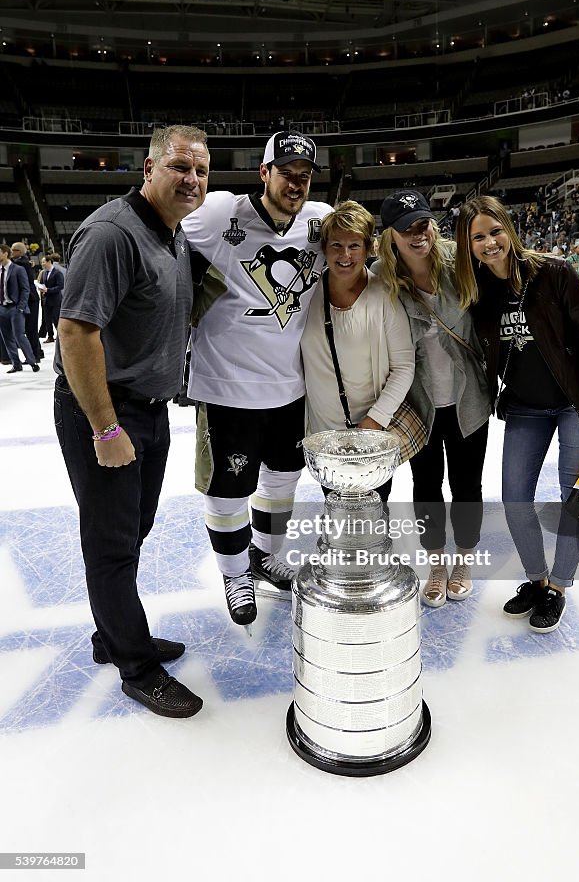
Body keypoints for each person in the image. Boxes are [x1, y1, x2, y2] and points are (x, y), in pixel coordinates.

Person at [54, 125, 209, 718]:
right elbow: (75, 331)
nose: (191, 179)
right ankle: (137, 666)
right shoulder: (111, 234)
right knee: (112, 544)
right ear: (149, 168)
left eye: (200, 170)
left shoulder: (171, 235)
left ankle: (112, 633)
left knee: (133, 529)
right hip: (108, 412)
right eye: (179, 167)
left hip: (148, 409)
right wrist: (105, 428)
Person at [182, 131, 332, 626]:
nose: (296, 183)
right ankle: (233, 572)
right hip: (226, 386)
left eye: (304, 175)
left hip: (290, 387)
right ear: (263, 173)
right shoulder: (220, 212)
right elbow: (160, 227)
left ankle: (265, 559)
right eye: (285, 172)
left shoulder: (318, 221)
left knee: (283, 479)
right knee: (228, 487)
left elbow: (366, 247)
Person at [454, 195, 579, 633]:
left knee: (574, 498)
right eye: (478, 237)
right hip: (525, 407)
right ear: (467, 245)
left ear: (509, 227)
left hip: (575, 403)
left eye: (495, 231)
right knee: (514, 499)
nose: (490, 243)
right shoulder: (479, 291)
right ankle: (537, 579)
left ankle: (558, 587)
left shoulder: (555, 272)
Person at [376, 189, 490, 607]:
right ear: (390, 235)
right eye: (406, 228)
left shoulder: (460, 263)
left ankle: (463, 560)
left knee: (466, 486)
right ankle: (437, 564)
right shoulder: (383, 278)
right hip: (419, 404)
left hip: (467, 400)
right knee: (425, 486)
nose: (417, 233)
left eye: (422, 223)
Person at [301, 201, 414, 503]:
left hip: (371, 434)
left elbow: (404, 366)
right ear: (324, 248)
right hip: (325, 437)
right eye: (336, 245)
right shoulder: (305, 294)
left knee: (374, 515)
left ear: (369, 248)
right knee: (338, 517)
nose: (345, 255)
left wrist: (375, 421)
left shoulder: (384, 296)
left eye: (354, 245)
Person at [0, 244, 40, 374]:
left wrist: (21, 307)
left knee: (19, 336)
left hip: (15, 308)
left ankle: (32, 361)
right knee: (7, 338)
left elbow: (25, 289)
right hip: (2, 308)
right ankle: (16, 364)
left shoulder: (18, 269)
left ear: (6, 253)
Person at [10, 242, 43, 362]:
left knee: (30, 329)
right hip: (29, 298)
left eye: (13, 250)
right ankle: (38, 352)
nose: (11, 252)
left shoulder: (21, 263)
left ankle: (35, 355)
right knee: (30, 328)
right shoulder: (24, 262)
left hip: (30, 299)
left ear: (19, 251)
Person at [37, 254, 64, 343]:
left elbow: (60, 286)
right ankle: (50, 336)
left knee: (56, 318)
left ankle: (60, 336)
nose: (42, 264)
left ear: (49, 262)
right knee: (47, 319)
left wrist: (48, 290)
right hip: (46, 300)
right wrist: (41, 288)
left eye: (43, 262)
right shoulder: (44, 273)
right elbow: (42, 284)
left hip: (55, 300)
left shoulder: (57, 273)